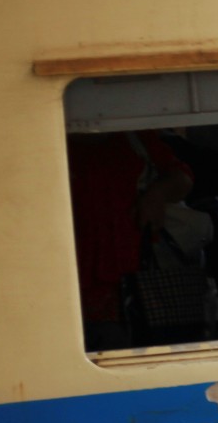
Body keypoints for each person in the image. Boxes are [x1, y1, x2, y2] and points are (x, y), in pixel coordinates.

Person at [67, 130, 194, 351]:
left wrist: (157, 194)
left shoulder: (134, 138)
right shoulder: (48, 140)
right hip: (67, 285)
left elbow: (182, 178)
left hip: (135, 281)